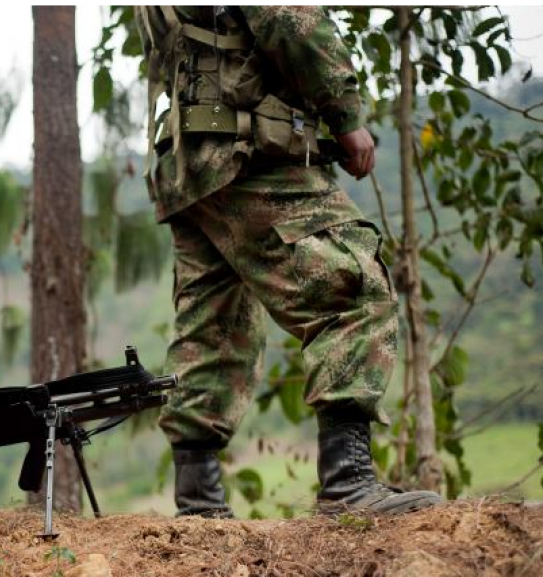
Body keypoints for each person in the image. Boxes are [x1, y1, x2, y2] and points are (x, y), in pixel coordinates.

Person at [136, 6, 443, 516]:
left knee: (214, 325)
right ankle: (348, 485)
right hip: (247, 152)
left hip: (190, 161)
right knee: (355, 289)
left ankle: (198, 505)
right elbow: (287, 16)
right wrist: (345, 115)